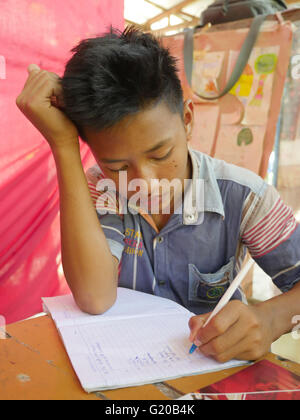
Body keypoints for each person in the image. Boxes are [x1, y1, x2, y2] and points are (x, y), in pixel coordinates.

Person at [16, 26, 300, 364]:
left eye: (161, 154)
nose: (145, 182)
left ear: (187, 120)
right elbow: (94, 297)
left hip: (215, 372)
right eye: (117, 165)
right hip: (125, 369)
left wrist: (270, 319)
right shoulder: (101, 190)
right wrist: (63, 145)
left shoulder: (245, 199)